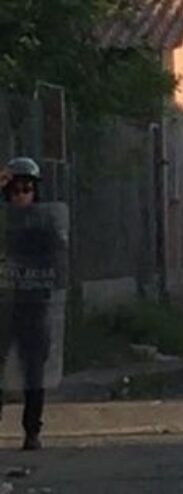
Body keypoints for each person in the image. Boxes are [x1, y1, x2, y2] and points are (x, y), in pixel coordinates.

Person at [0, 157, 61, 450]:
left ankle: (32, 430)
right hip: (3, 304)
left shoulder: (45, 222)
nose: (21, 194)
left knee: (34, 369)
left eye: (26, 188)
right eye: (15, 189)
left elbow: (58, 258)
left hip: (33, 303)